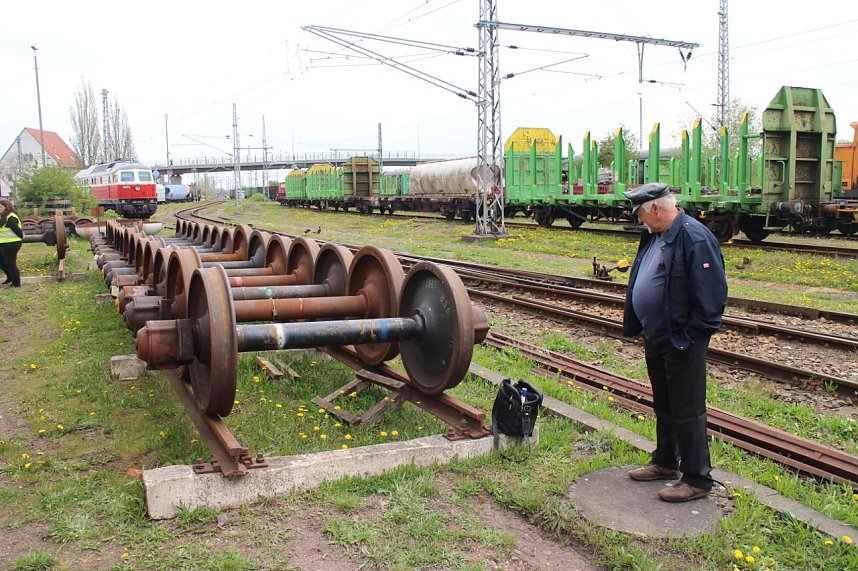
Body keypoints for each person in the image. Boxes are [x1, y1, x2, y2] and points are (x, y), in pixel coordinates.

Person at [621, 182, 727, 503]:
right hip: (657, 335)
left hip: (682, 338)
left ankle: (697, 478)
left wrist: (690, 334)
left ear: (655, 208)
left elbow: (712, 296)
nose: (639, 219)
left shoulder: (695, 237)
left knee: (688, 408)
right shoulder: (656, 235)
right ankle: (666, 461)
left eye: (640, 213)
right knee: (665, 404)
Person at [0, 198, 24, 288]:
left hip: (12, 244)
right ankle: (10, 277)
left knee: (10, 263)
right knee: (2, 263)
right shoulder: (2, 216)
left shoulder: (10, 217)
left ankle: (16, 284)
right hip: (3, 243)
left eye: (0, 207)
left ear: (6, 207)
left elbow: (17, 230)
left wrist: (22, 236)